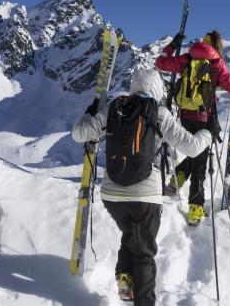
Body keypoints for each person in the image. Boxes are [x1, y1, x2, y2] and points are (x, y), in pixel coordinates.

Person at [71, 69, 212, 305]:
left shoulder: (114, 107)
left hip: (112, 195)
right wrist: (208, 132)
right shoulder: (159, 113)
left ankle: (125, 279)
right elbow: (193, 148)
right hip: (145, 195)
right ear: (157, 89)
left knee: (131, 232)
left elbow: (78, 134)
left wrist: (89, 113)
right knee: (144, 254)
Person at [155, 30, 230, 225]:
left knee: (194, 152)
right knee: (200, 164)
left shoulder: (187, 58)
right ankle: (195, 209)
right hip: (205, 120)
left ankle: (177, 179)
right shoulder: (216, 63)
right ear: (217, 46)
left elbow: (160, 63)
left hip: (185, 117)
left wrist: (172, 46)